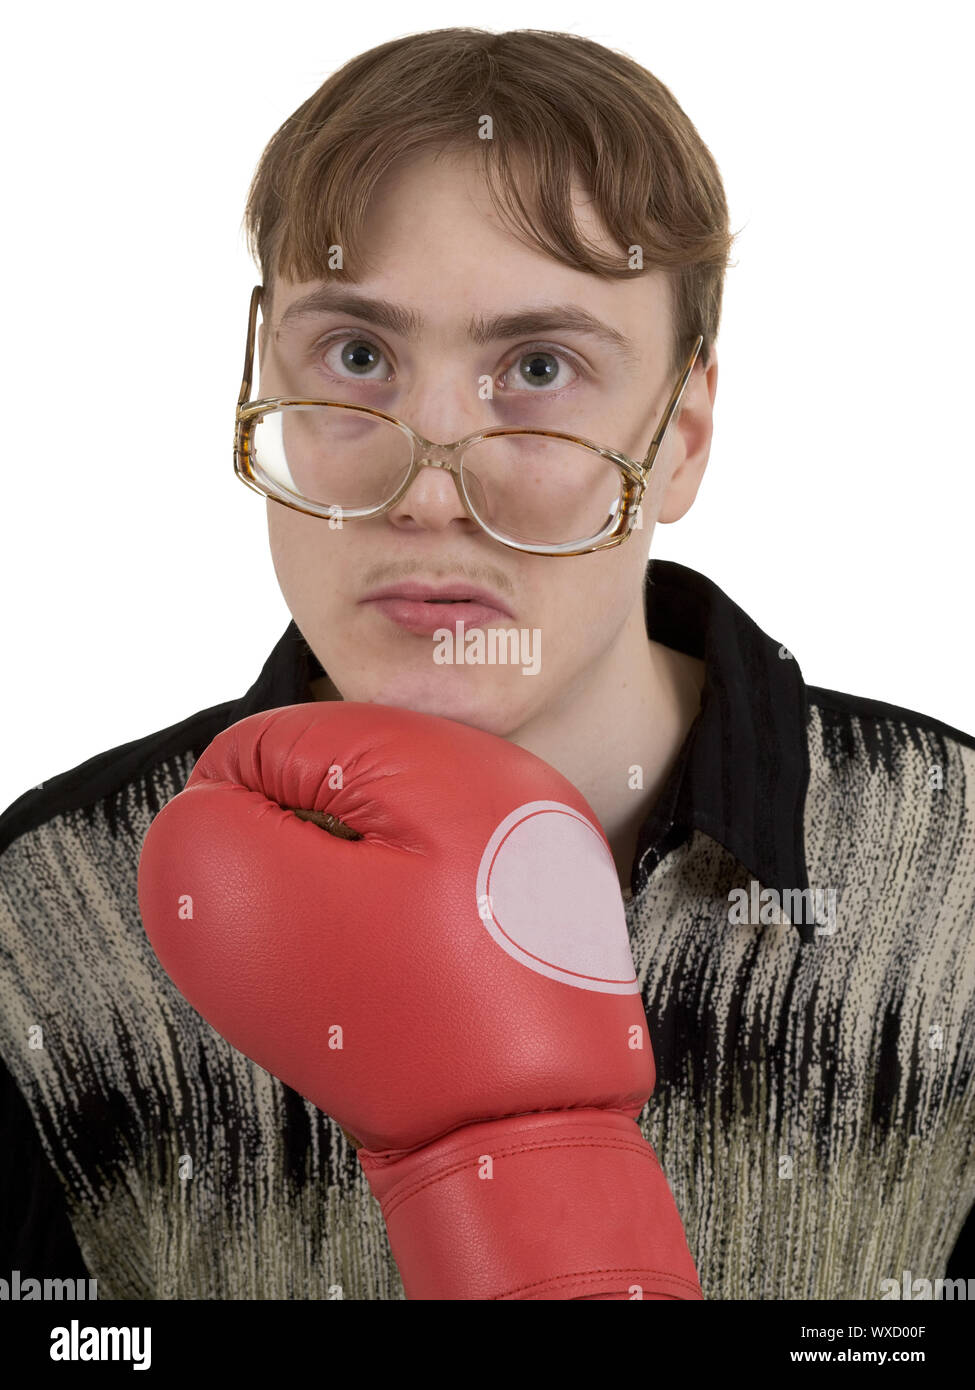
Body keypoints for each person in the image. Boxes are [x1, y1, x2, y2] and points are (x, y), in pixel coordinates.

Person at [1, 26, 972, 1302]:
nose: (427, 490)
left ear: (679, 440)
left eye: (538, 368)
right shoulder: (44, 914)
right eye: (358, 355)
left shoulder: (956, 878)